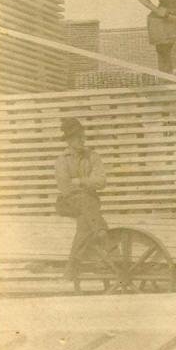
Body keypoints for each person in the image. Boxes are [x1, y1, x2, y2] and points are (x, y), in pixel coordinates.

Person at [55, 117, 110, 278]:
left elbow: (101, 181)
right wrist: (88, 185)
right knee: (87, 204)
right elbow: (66, 188)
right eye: (78, 137)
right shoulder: (61, 160)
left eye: (83, 136)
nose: (82, 140)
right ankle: (101, 232)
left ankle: (72, 266)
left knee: (84, 222)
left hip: (89, 205)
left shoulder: (93, 156)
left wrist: (80, 181)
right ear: (69, 140)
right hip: (68, 203)